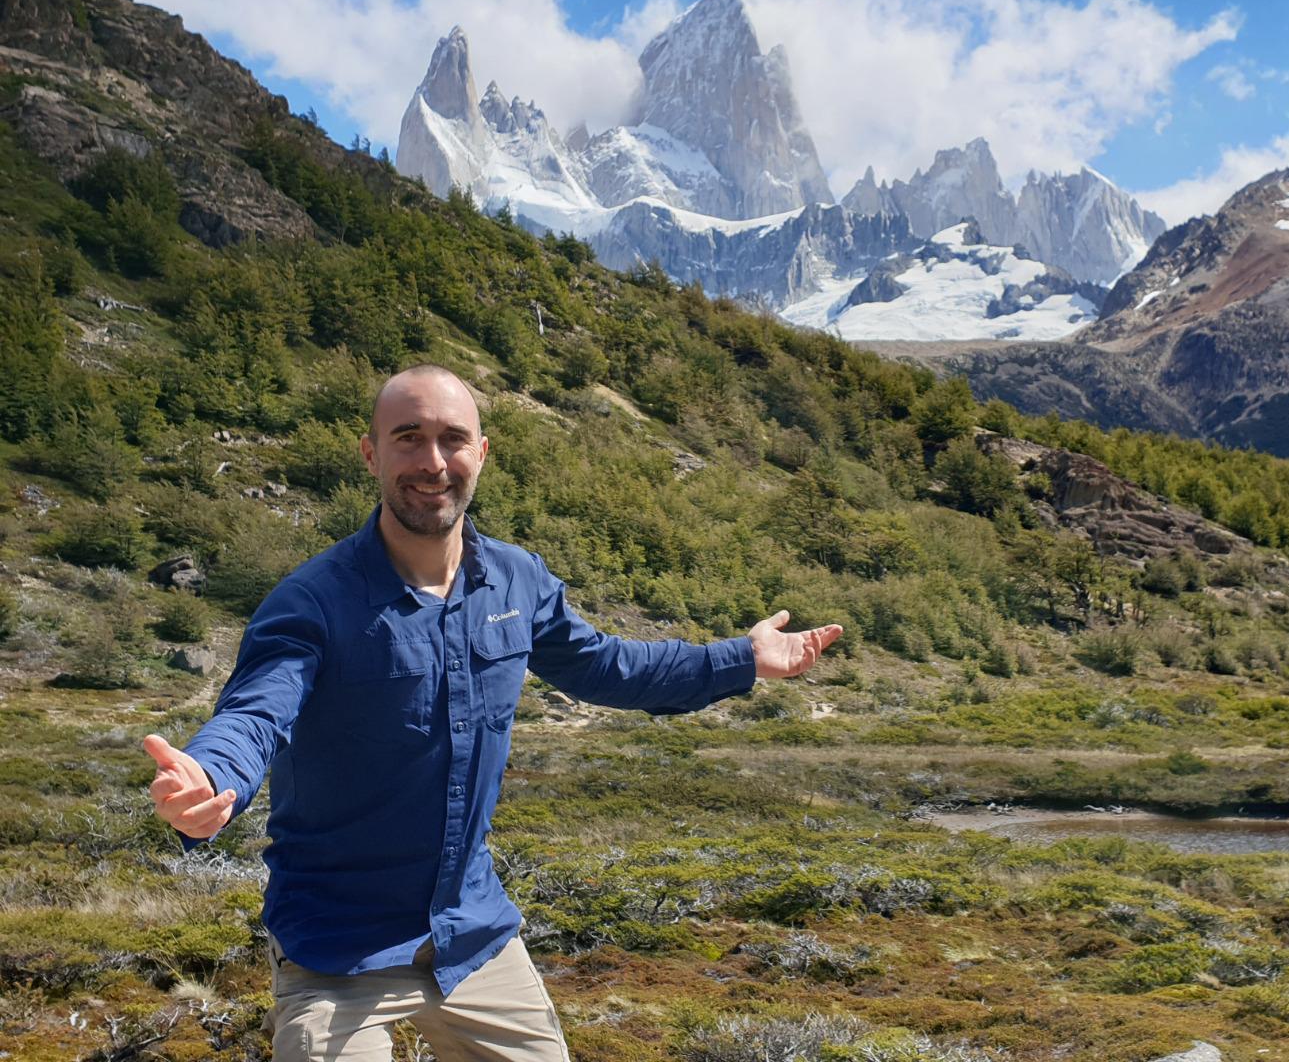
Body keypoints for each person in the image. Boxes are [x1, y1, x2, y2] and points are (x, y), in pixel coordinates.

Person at [142, 363, 843, 1061]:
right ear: (370, 452)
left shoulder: (518, 579)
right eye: (408, 437)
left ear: (482, 452)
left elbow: (609, 666)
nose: (432, 461)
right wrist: (210, 777)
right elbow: (258, 712)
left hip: (470, 933)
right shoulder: (313, 601)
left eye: (453, 439)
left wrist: (742, 660)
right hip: (336, 947)